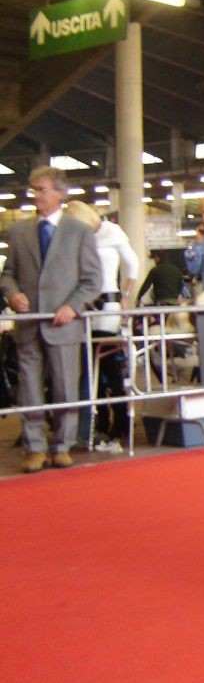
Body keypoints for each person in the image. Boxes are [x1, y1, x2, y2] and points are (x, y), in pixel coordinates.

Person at [0, 166, 101, 472]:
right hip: (29, 324)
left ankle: (62, 445)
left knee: (65, 387)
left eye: (41, 189)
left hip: (65, 325)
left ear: (60, 193)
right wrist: (13, 294)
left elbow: (92, 280)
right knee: (28, 389)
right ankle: (34, 448)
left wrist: (72, 306)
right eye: (33, 190)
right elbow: (8, 274)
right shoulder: (19, 231)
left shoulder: (79, 232)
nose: (36, 195)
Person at [65, 201, 139, 446]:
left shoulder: (112, 231)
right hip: (89, 307)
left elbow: (133, 264)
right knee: (91, 367)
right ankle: (103, 423)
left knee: (107, 364)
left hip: (109, 306)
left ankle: (119, 421)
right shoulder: (82, 238)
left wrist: (127, 298)